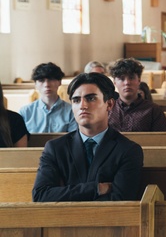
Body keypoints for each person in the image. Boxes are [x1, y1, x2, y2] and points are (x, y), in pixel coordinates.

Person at [32, 72, 144, 202]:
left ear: (109, 104)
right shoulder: (55, 148)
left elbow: (120, 200)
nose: (82, 106)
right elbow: (41, 196)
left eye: (91, 98)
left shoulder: (128, 150)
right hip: (61, 221)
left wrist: (65, 194)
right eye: (76, 100)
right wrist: (96, 188)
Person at [107, 58, 166, 132]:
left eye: (131, 78)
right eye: (122, 79)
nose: (127, 83)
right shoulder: (108, 110)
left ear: (139, 81)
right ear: (115, 83)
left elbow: (163, 140)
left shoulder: (153, 110)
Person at [19, 62, 77, 133]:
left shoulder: (71, 111)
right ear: (35, 84)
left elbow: (73, 140)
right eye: (41, 81)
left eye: (51, 79)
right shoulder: (25, 112)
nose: (46, 84)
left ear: (59, 82)